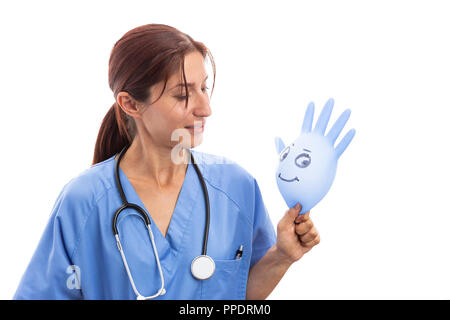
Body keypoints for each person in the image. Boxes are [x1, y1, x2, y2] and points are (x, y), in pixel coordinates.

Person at [13, 23, 320, 300]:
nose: (205, 108)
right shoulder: (84, 201)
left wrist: (282, 255)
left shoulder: (236, 187)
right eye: (183, 94)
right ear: (131, 104)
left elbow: (235, 297)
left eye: (204, 88)